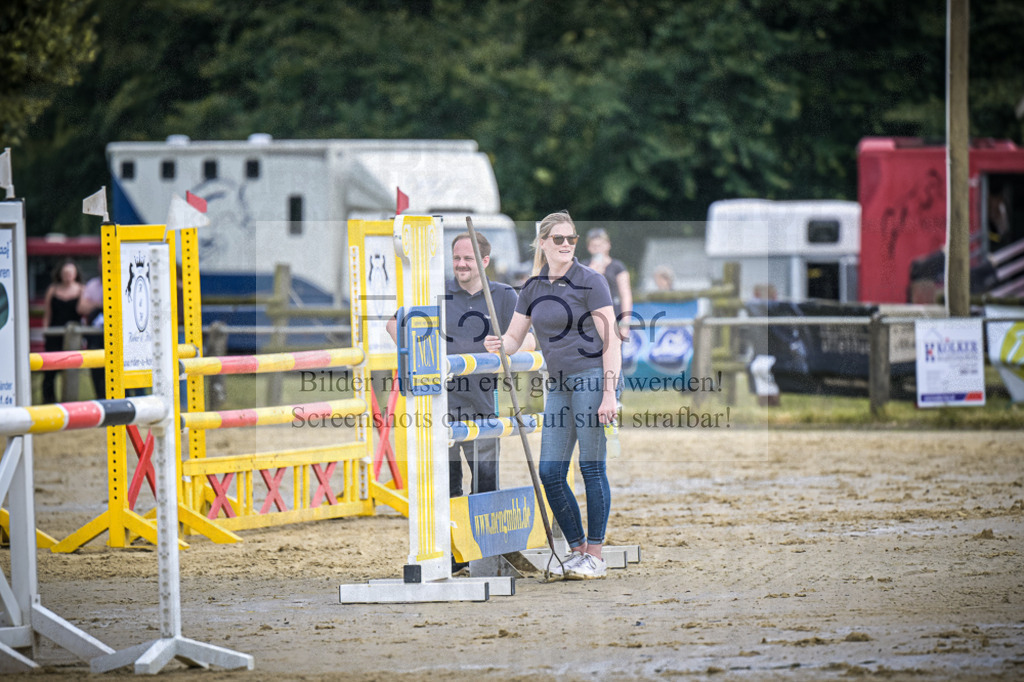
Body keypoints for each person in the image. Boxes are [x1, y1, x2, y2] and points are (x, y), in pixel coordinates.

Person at [484, 210, 622, 580]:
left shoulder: (591, 281)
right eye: (558, 239)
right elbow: (516, 339)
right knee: (550, 471)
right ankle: (577, 550)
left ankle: (596, 552)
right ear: (543, 243)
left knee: (591, 466)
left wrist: (610, 393)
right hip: (558, 383)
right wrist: (499, 343)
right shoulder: (532, 287)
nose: (565, 245)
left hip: (593, 377)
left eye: (570, 239)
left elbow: (611, 341)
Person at [387, 231, 534, 499]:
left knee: (485, 484)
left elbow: (530, 340)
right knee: (447, 485)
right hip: (440, 401)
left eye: (468, 258)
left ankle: (482, 537)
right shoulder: (435, 291)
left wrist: (506, 345)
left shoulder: (502, 295)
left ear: (485, 260)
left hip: (484, 400)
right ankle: (451, 539)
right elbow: (393, 324)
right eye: (456, 258)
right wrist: (422, 356)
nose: (461, 264)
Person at [41, 260, 84, 404]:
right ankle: (48, 400)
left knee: (71, 369)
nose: (68, 276)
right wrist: (45, 330)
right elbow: (47, 313)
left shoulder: (81, 290)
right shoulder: (52, 289)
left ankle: (70, 400)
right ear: (60, 274)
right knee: (49, 370)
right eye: (65, 273)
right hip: (54, 334)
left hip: (73, 336)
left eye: (70, 273)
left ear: (75, 274)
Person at [582, 227, 632, 340]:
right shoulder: (584, 267)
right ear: (589, 248)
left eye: (600, 245)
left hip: (615, 316)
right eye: (594, 246)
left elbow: (625, 295)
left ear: (608, 245)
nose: (598, 249)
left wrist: (626, 323)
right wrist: (593, 273)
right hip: (591, 318)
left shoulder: (617, 266)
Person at [77, 263, 105, 400]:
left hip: (115, 337)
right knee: (96, 371)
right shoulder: (92, 284)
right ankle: (100, 399)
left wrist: (93, 303)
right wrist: (100, 305)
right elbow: (82, 308)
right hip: (95, 337)